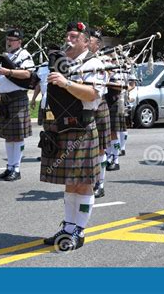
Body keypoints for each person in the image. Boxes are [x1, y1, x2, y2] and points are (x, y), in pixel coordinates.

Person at [41, 21, 103, 251]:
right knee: (70, 182)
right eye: (68, 35)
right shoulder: (59, 61)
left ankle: (80, 231)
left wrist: (66, 83)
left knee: (84, 183)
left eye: (75, 36)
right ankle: (68, 226)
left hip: (82, 126)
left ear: (86, 41)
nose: (70, 39)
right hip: (61, 126)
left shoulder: (95, 63)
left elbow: (93, 93)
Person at [0, 28, 34, 181]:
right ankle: (9, 167)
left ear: (19, 42)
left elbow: (28, 74)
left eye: (12, 40)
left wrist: (9, 72)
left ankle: (16, 168)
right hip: (5, 99)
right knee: (8, 136)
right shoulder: (5, 56)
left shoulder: (24, 55)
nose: (9, 42)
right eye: (7, 39)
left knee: (17, 136)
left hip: (18, 98)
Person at [88, 28, 110, 198]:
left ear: (99, 43)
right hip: (85, 106)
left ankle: (100, 183)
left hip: (100, 104)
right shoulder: (81, 59)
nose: (88, 42)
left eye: (92, 40)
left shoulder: (106, 59)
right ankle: (88, 180)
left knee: (101, 148)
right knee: (87, 147)